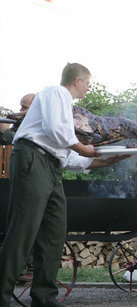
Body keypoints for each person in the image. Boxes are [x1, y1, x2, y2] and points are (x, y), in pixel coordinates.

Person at [0, 63, 128, 307]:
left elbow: (69, 157)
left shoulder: (65, 108)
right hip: (32, 159)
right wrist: (85, 148)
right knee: (23, 231)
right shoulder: (55, 93)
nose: (89, 87)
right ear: (77, 80)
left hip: (50, 165)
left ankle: (44, 297)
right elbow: (57, 132)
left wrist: (106, 160)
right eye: (88, 82)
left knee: (55, 232)